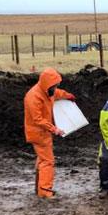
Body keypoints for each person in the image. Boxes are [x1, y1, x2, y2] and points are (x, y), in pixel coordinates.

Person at [23, 68, 75, 199]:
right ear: (48, 84)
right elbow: (38, 119)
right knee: (47, 161)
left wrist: (67, 95)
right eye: (55, 85)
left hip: (43, 132)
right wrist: (54, 129)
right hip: (38, 133)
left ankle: (39, 188)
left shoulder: (47, 91)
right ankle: (45, 191)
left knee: (42, 159)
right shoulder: (33, 97)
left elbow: (56, 93)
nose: (56, 88)